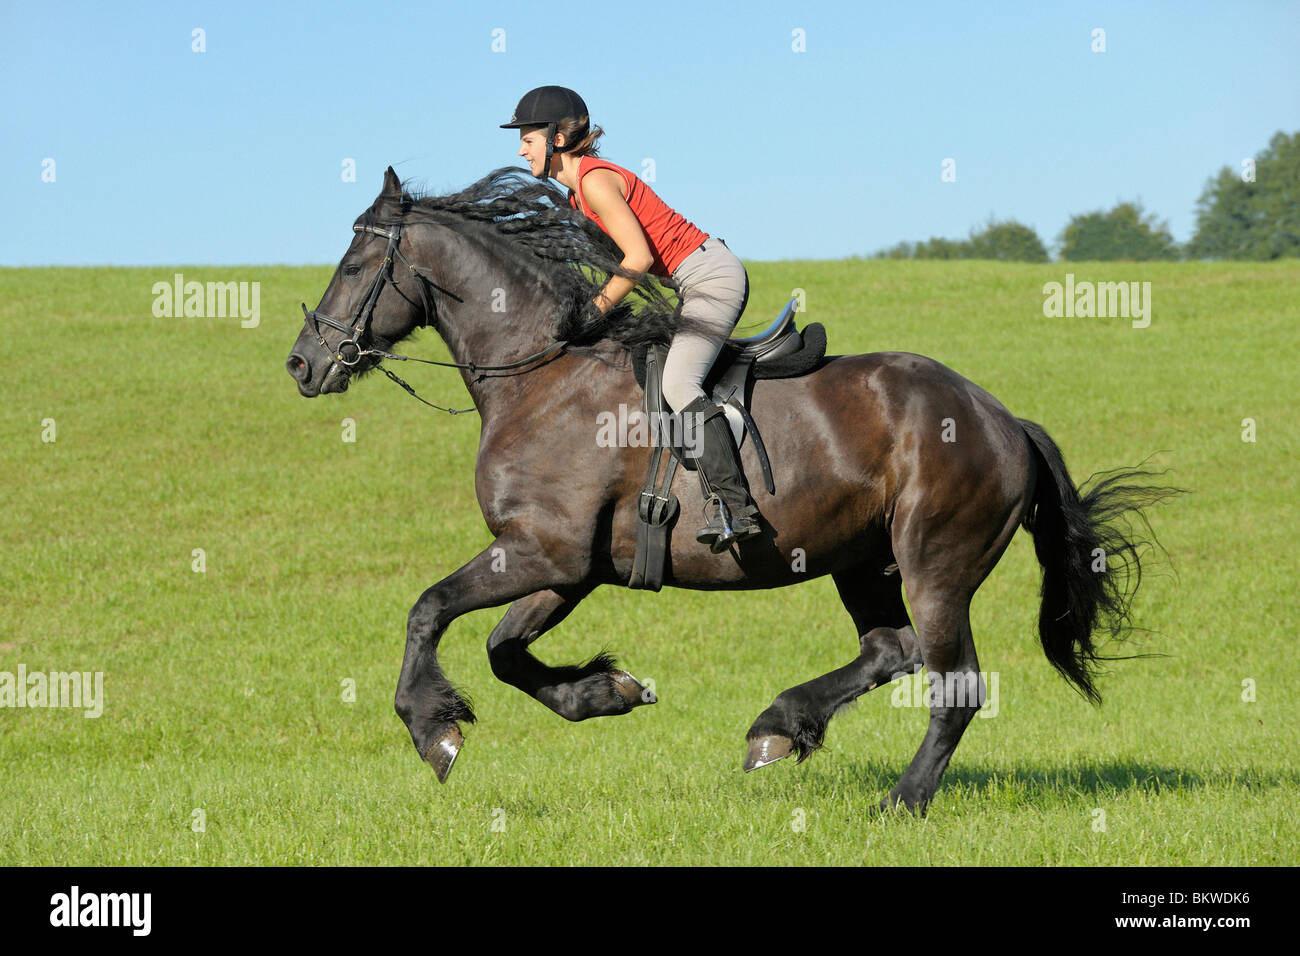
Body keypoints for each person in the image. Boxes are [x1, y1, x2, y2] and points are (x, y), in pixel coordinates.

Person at [501, 85, 760, 553]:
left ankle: (735, 508)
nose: (520, 148)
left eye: (528, 138)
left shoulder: (594, 183)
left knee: (680, 384)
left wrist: (593, 313)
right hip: (692, 280)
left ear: (557, 139)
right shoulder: (577, 194)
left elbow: (637, 257)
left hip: (711, 278)